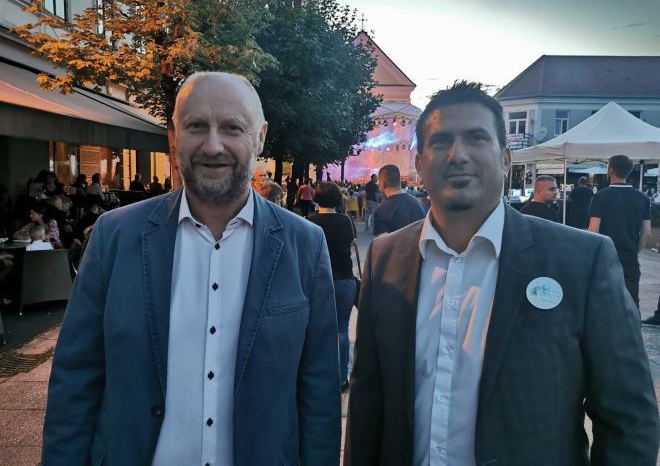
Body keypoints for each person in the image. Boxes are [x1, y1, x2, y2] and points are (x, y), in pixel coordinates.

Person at [346, 81, 659, 466]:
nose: (458, 155)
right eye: (441, 141)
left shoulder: (581, 261)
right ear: (420, 164)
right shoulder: (386, 258)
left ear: (505, 159)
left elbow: (628, 418)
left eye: (476, 138)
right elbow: (367, 400)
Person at [42, 72, 341, 466]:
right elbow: (76, 378)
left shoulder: (305, 245)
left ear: (260, 137)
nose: (213, 145)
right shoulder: (114, 237)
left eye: (232, 127)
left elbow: (319, 392)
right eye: (197, 126)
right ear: (175, 136)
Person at [307, 182, 357, 393]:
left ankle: (318, 375)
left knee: (316, 330)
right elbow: (351, 246)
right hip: (345, 279)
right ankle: (341, 378)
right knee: (341, 330)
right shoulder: (346, 221)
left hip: (318, 282)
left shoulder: (309, 222)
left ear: (316, 198)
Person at [587, 155, 651, 308]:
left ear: (610, 170)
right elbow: (647, 232)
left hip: (605, 259)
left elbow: (593, 230)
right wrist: (634, 251)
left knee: (603, 304)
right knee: (632, 303)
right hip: (630, 260)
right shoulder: (642, 198)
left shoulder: (600, 196)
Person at [373, 164, 426, 235]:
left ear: (382, 183)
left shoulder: (381, 211)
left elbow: (381, 241)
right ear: (398, 181)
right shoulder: (421, 205)